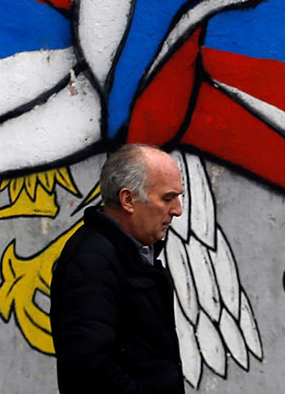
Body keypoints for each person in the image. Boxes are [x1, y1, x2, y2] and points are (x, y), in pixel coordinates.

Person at [50, 143, 185, 392]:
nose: (177, 210)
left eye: (178, 197)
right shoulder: (92, 262)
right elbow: (87, 367)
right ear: (128, 199)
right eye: (167, 198)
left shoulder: (133, 253)